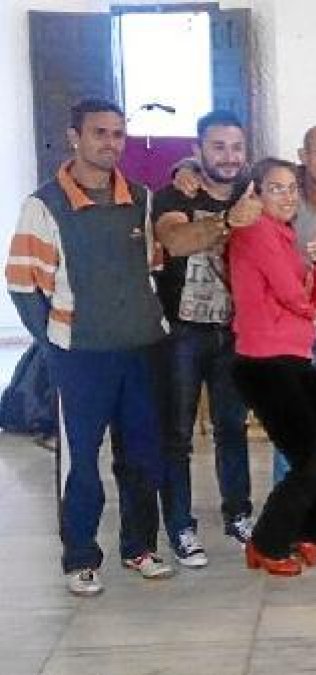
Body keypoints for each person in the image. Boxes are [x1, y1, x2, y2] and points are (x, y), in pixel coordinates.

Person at [6, 99, 173, 596]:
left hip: (141, 350)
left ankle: (139, 547)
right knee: (81, 460)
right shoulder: (44, 204)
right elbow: (21, 283)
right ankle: (80, 556)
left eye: (118, 134)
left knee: (142, 457)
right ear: (74, 136)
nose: (111, 143)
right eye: (99, 133)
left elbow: (155, 268)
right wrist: (55, 341)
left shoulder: (139, 198)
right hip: (80, 357)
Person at [228, 158, 316, 576]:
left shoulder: (286, 236)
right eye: (276, 188)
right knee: (310, 458)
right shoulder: (253, 232)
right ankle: (266, 543)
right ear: (254, 194)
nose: (288, 196)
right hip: (263, 363)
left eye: (292, 188)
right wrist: (308, 306)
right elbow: (295, 297)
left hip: (293, 360)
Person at [151, 110, 255, 568]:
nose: (229, 157)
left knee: (233, 428)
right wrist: (229, 221)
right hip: (182, 333)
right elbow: (176, 241)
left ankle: (239, 514)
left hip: (235, 332)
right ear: (198, 149)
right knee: (176, 433)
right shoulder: (175, 192)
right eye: (218, 146)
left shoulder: (254, 189)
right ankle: (180, 526)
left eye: (236, 147)